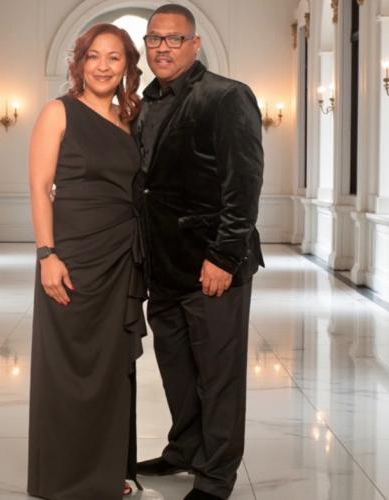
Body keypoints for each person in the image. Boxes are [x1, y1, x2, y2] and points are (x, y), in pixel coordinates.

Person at [133, 4, 264, 500]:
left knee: (219, 376)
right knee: (178, 372)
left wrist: (224, 256)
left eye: (174, 38)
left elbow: (243, 185)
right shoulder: (145, 103)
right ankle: (185, 449)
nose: (162, 48)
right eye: (154, 39)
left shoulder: (227, 96)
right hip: (163, 267)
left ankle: (217, 475)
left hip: (212, 265)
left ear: (195, 43)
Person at [27, 23, 147, 500]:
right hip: (72, 255)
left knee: (112, 368)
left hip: (120, 258)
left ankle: (109, 472)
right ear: (79, 63)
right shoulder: (58, 112)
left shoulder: (130, 118)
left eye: (114, 57)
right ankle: (62, 476)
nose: (103, 66)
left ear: (127, 66)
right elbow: (40, 188)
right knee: (68, 366)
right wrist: (47, 254)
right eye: (94, 56)